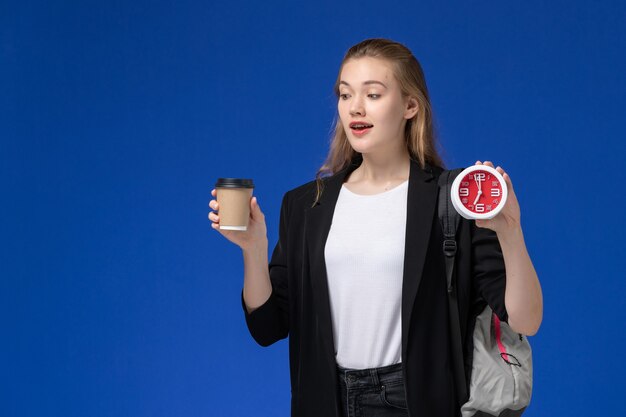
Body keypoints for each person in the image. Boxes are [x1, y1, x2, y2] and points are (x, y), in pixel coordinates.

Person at [208, 38, 543, 417]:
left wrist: (510, 232)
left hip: (414, 401)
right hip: (324, 400)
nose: (355, 108)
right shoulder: (305, 205)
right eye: (345, 94)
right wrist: (254, 248)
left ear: (410, 106)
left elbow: (525, 320)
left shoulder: (453, 200)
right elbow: (267, 327)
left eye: (373, 94)